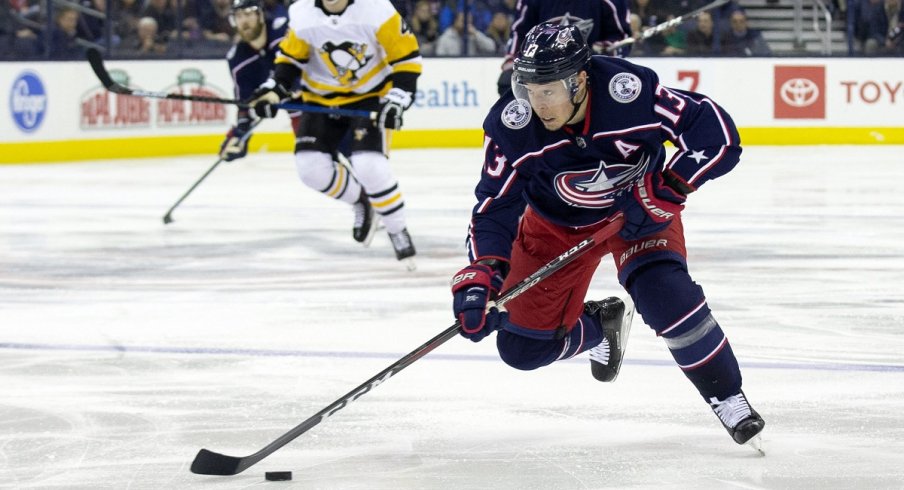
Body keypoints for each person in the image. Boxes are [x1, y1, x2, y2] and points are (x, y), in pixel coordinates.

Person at [450, 23, 765, 448]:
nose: (538, 104)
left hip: (640, 213)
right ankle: (600, 328)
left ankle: (727, 396)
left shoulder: (628, 92)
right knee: (521, 351)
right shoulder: (513, 125)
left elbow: (716, 134)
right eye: (529, 89)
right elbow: (494, 206)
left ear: (579, 80)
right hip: (554, 227)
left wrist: (671, 184)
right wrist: (483, 273)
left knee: (668, 300)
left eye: (550, 91)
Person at [248, 0, 421, 268]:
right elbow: (290, 60)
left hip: (370, 95)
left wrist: (398, 98)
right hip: (320, 98)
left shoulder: (377, 10)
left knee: (370, 167)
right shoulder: (302, 12)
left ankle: (396, 228)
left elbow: (406, 58)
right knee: (310, 169)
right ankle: (361, 200)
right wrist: (274, 90)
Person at [497, 0, 633, 95]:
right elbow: (520, 32)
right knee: (506, 83)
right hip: (543, 71)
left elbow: (621, 37)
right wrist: (512, 63)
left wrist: (603, 50)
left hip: (590, 71)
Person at [218, 0, 288, 166]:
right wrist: (239, 134)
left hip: (329, 95)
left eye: (248, 13)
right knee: (312, 162)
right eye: (238, 16)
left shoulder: (282, 31)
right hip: (300, 111)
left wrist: (278, 92)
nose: (244, 21)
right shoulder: (238, 59)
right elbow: (245, 105)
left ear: (261, 15)